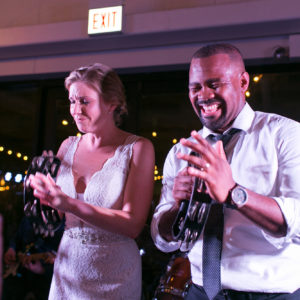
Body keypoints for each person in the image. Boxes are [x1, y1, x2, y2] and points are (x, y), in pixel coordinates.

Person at [151, 43, 300, 299]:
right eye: (195, 87)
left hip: (270, 294)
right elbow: (163, 239)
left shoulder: (285, 135)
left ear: (243, 82)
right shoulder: (181, 152)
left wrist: (233, 193)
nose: (203, 95)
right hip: (199, 292)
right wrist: (177, 207)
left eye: (214, 84)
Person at [29, 63, 155, 299]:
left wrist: (67, 203)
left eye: (84, 101)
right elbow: (54, 215)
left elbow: (133, 225)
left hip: (115, 274)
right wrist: (41, 194)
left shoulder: (138, 148)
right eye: (72, 101)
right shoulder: (67, 146)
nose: (75, 110)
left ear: (112, 103)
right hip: (67, 270)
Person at [2, 216, 63, 300]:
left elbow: (65, 266)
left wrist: (43, 270)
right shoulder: (31, 213)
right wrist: (11, 248)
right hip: (20, 274)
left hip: (46, 282)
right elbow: (18, 235)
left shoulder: (64, 224)